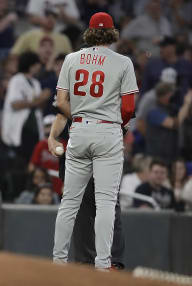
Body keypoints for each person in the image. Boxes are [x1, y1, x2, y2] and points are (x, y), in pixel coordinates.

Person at [52, 12, 137, 269]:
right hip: (108, 131)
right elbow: (129, 107)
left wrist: (80, 117)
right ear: (112, 32)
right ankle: (102, 265)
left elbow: (61, 102)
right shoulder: (123, 62)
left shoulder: (71, 58)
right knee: (106, 204)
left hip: (78, 131)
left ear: (89, 32)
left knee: (70, 203)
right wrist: (116, 123)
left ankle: (57, 261)